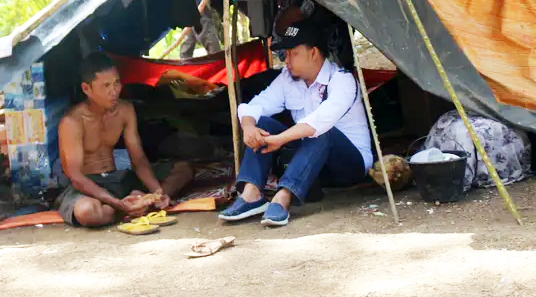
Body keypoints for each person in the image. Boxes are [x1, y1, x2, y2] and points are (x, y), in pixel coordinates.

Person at [218, 19, 372, 226]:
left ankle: (283, 198)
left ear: (313, 53)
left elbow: (319, 122)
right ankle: (251, 195)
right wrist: (248, 127)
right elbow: (256, 105)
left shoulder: (341, 80)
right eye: (285, 54)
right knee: (262, 122)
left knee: (320, 131)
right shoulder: (287, 79)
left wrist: (280, 140)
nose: (286, 59)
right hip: (310, 163)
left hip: (348, 165)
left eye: (293, 53)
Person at [56, 52, 194, 227]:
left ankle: (143, 202)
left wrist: (157, 192)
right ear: (86, 89)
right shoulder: (72, 122)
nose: (113, 91)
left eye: (116, 83)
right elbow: (76, 176)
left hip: (119, 179)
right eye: (105, 86)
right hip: (88, 187)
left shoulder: (125, 110)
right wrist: (116, 202)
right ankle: (133, 206)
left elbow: (138, 159)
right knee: (88, 213)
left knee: (184, 169)